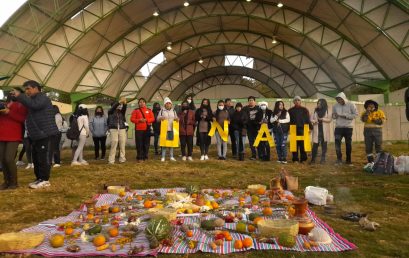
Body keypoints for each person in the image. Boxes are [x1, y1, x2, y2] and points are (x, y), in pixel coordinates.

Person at [13, 80, 59, 189]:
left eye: (28, 88)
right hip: (36, 135)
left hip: (46, 133)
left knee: (44, 158)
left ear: (36, 88)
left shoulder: (42, 98)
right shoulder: (30, 100)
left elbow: (35, 105)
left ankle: (45, 179)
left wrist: (20, 96)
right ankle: (39, 178)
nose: (26, 91)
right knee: (37, 158)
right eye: (25, 89)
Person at [0, 89, 27, 190]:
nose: (11, 94)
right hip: (1, 135)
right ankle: (6, 182)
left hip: (13, 135)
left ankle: (13, 182)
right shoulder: (4, 104)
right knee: (2, 159)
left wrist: (8, 112)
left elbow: (22, 119)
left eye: (14, 92)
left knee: (9, 158)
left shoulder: (21, 105)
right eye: (10, 92)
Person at [332, 92, 358, 165]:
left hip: (348, 128)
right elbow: (333, 115)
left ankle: (348, 160)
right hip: (338, 128)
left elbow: (356, 115)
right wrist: (335, 116)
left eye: (340, 99)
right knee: (337, 144)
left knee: (348, 144)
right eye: (337, 100)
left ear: (344, 98)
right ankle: (339, 160)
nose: (339, 101)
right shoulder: (335, 106)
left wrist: (345, 116)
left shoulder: (351, 104)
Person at [130, 98, 155, 162]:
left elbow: (153, 118)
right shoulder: (136, 110)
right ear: (138, 104)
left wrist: (147, 120)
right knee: (139, 144)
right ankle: (140, 157)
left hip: (147, 129)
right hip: (139, 130)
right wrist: (139, 120)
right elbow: (132, 119)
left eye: (143, 102)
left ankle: (145, 156)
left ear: (145, 103)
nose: (141, 103)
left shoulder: (149, 110)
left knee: (146, 144)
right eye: (140, 102)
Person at [288, 96, 311, 163]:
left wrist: (310, 128)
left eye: (298, 100)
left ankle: (303, 159)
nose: (297, 101)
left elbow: (307, 119)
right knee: (294, 145)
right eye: (296, 100)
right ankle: (295, 159)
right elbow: (289, 121)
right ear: (294, 102)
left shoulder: (305, 110)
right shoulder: (290, 110)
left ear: (300, 101)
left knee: (302, 145)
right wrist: (288, 129)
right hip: (293, 129)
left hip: (302, 129)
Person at [310, 99, 331, 164]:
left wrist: (322, 119)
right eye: (318, 103)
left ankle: (323, 159)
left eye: (320, 103)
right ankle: (313, 159)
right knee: (315, 145)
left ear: (323, 104)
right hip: (317, 129)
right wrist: (314, 121)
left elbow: (329, 119)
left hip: (324, 130)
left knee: (324, 145)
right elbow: (311, 119)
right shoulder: (315, 110)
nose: (318, 105)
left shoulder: (327, 110)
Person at [157, 97, 178, 162]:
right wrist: (161, 118)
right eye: (167, 103)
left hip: (172, 129)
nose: (168, 104)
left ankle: (171, 156)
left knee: (171, 143)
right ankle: (163, 157)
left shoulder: (174, 111)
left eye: (169, 103)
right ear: (164, 104)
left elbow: (176, 118)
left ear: (171, 104)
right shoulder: (162, 111)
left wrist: (177, 119)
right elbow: (157, 119)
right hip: (164, 130)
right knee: (164, 143)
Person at [107, 97, 127, 164]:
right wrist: (119, 102)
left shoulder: (122, 112)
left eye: (120, 105)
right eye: (118, 105)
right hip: (113, 128)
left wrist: (124, 103)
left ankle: (122, 158)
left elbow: (124, 108)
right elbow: (113, 108)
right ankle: (111, 160)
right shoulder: (110, 111)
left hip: (122, 128)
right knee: (114, 142)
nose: (119, 106)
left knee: (122, 143)